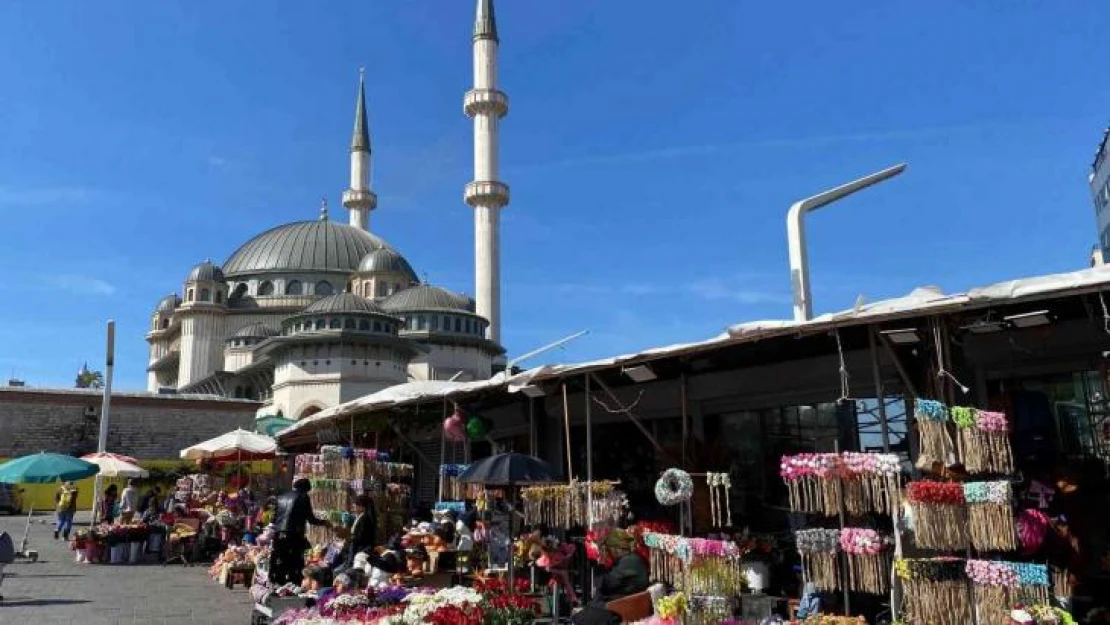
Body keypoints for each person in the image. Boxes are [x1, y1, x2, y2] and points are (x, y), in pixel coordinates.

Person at [269, 478, 330, 585]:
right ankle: (293, 581)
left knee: (279, 556)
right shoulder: (303, 496)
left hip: (279, 532)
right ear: (306, 489)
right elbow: (310, 519)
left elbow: (274, 518)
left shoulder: (282, 495)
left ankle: (276, 580)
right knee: (294, 558)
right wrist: (324, 523)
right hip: (294, 533)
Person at [345, 494, 377, 568]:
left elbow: (361, 536)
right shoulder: (360, 517)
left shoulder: (365, 519)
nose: (353, 507)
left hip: (360, 548)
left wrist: (349, 537)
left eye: (355, 505)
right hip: (357, 547)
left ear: (362, 507)